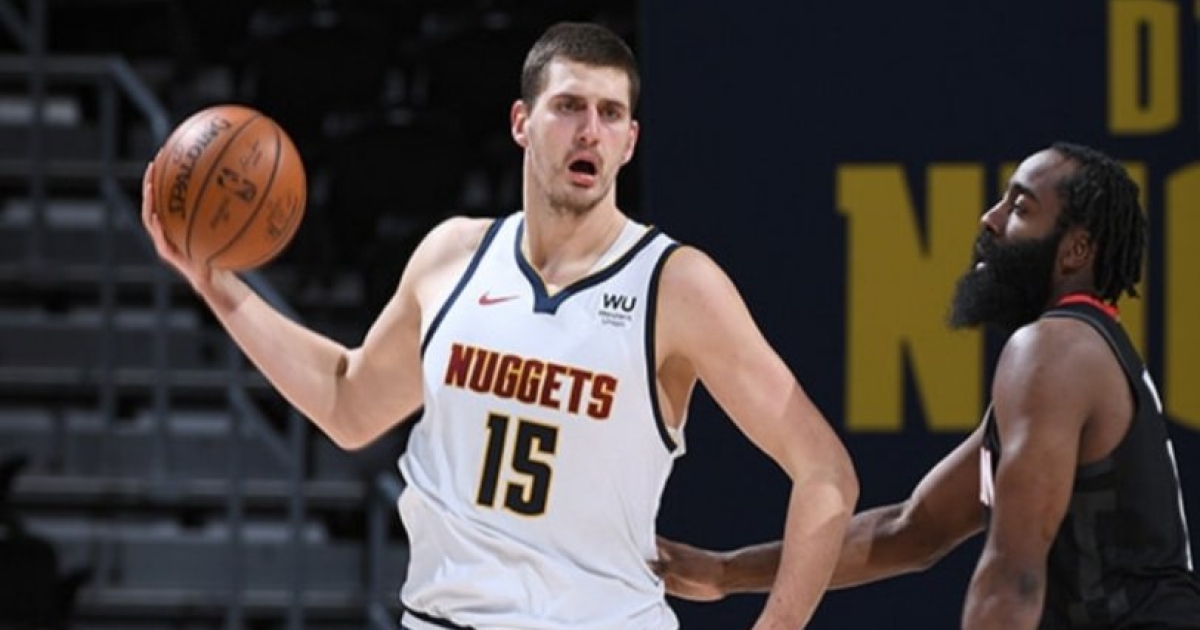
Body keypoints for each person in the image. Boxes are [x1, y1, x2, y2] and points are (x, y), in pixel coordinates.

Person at [140, 21, 859, 630]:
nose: (591, 130)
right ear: (521, 122)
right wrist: (217, 287)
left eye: (611, 114)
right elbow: (347, 402)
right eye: (569, 106)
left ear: (631, 141)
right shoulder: (452, 256)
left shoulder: (675, 285)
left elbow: (825, 472)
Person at [655, 142, 1200, 629]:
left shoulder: (1054, 348)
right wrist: (724, 572)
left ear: (1075, 250)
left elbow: (1013, 577)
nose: (990, 219)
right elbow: (912, 530)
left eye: (1020, 208)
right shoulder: (1076, 355)